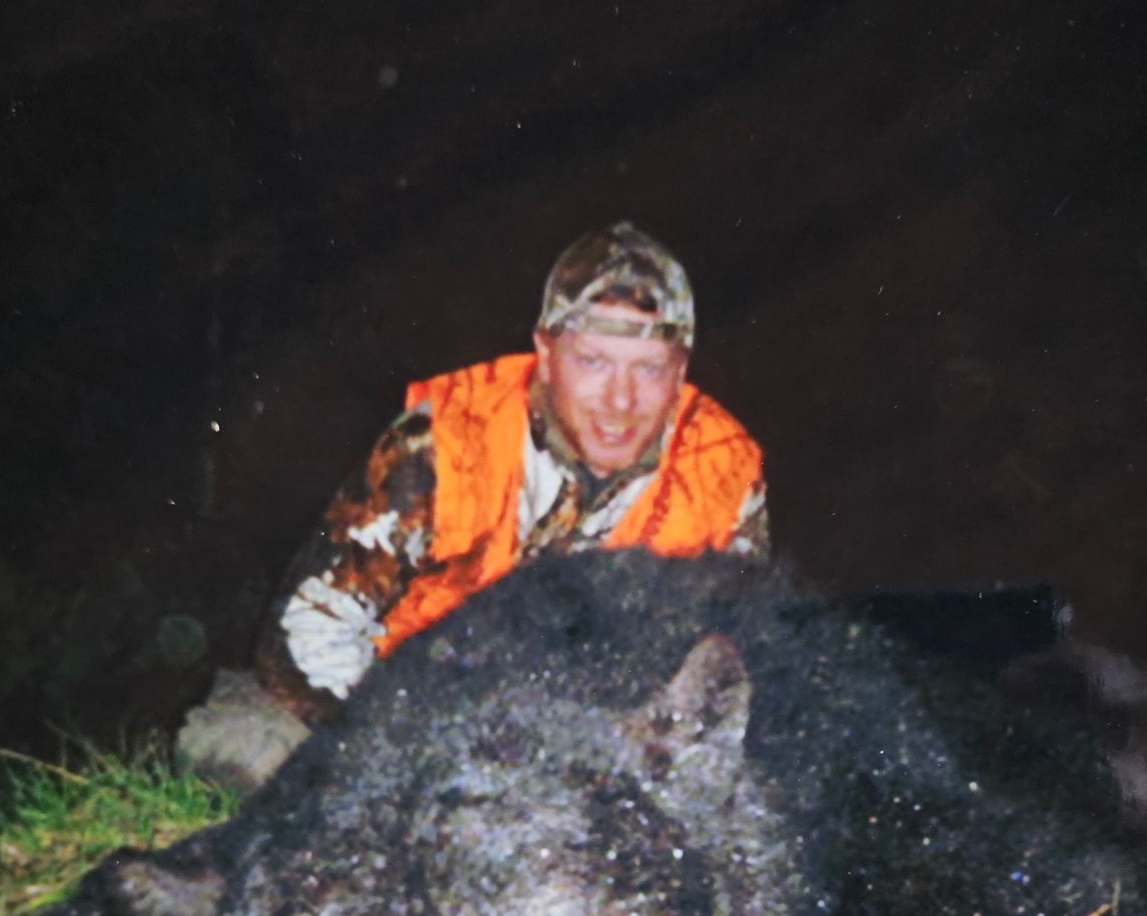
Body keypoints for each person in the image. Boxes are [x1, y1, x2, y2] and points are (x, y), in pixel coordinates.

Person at [177, 221, 769, 790]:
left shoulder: (722, 472)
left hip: (588, 743)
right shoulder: (445, 442)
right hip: (411, 709)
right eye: (593, 362)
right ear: (545, 353)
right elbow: (308, 633)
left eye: (649, 369)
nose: (620, 400)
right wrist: (428, 743)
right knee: (248, 749)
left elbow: (728, 668)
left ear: (681, 371)